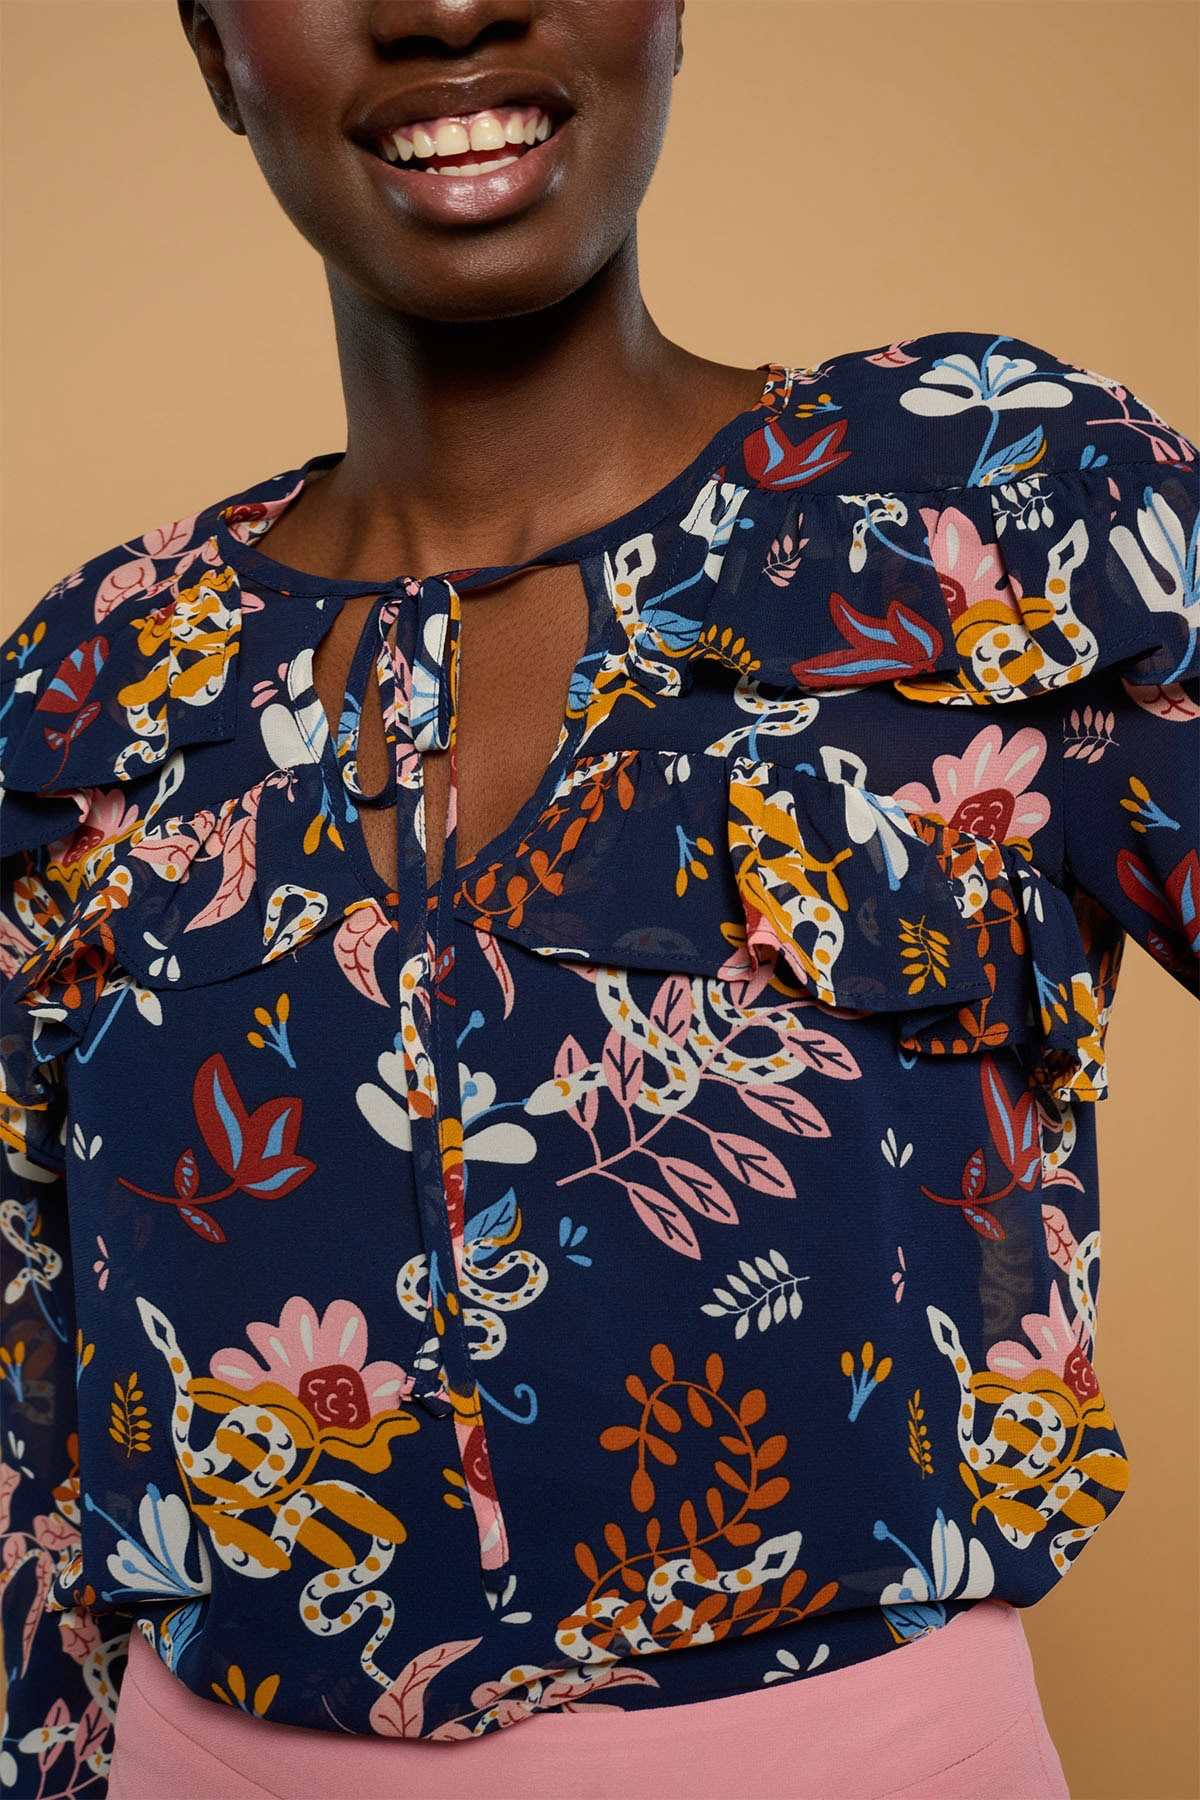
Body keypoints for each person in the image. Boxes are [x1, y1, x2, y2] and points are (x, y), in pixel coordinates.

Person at [1, 3, 1195, 1796]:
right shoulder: (89, 684)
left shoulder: (993, 501)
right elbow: (31, 1426)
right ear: (213, 49)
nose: (444, 7)